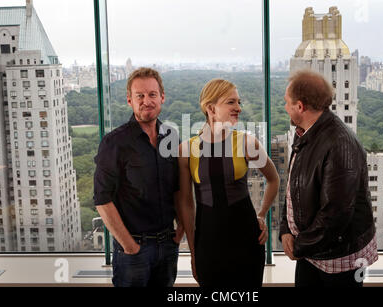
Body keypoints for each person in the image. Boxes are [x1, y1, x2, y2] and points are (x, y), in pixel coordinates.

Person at [279, 69, 378, 287]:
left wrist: (298, 245)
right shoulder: (305, 133)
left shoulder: (339, 145)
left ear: (300, 106)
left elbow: (336, 214)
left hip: (339, 259)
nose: (285, 108)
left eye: (287, 102)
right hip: (312, 251)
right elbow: (292, 189)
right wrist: (286, 229)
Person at [177, 78, 280, 287]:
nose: (239, 108)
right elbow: (186, 205)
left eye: (238, 102)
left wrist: (261, 214)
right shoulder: (186, 150)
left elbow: (274, 179)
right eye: (231, 102)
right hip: (207, 245)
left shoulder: (247, 143)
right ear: (211, 108)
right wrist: (193, 252)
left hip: (247, 241)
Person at [93, 67, 183, 287]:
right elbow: (102, 199)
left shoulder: (171, 137)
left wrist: (179, 233)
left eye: (152, 94)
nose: (146, 101)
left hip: (168, 245)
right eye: (139, 96)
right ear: (129, 100)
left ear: (162, 97)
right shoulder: (114, 142)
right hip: (133, 250)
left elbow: (179, 189)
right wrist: (130, 246)